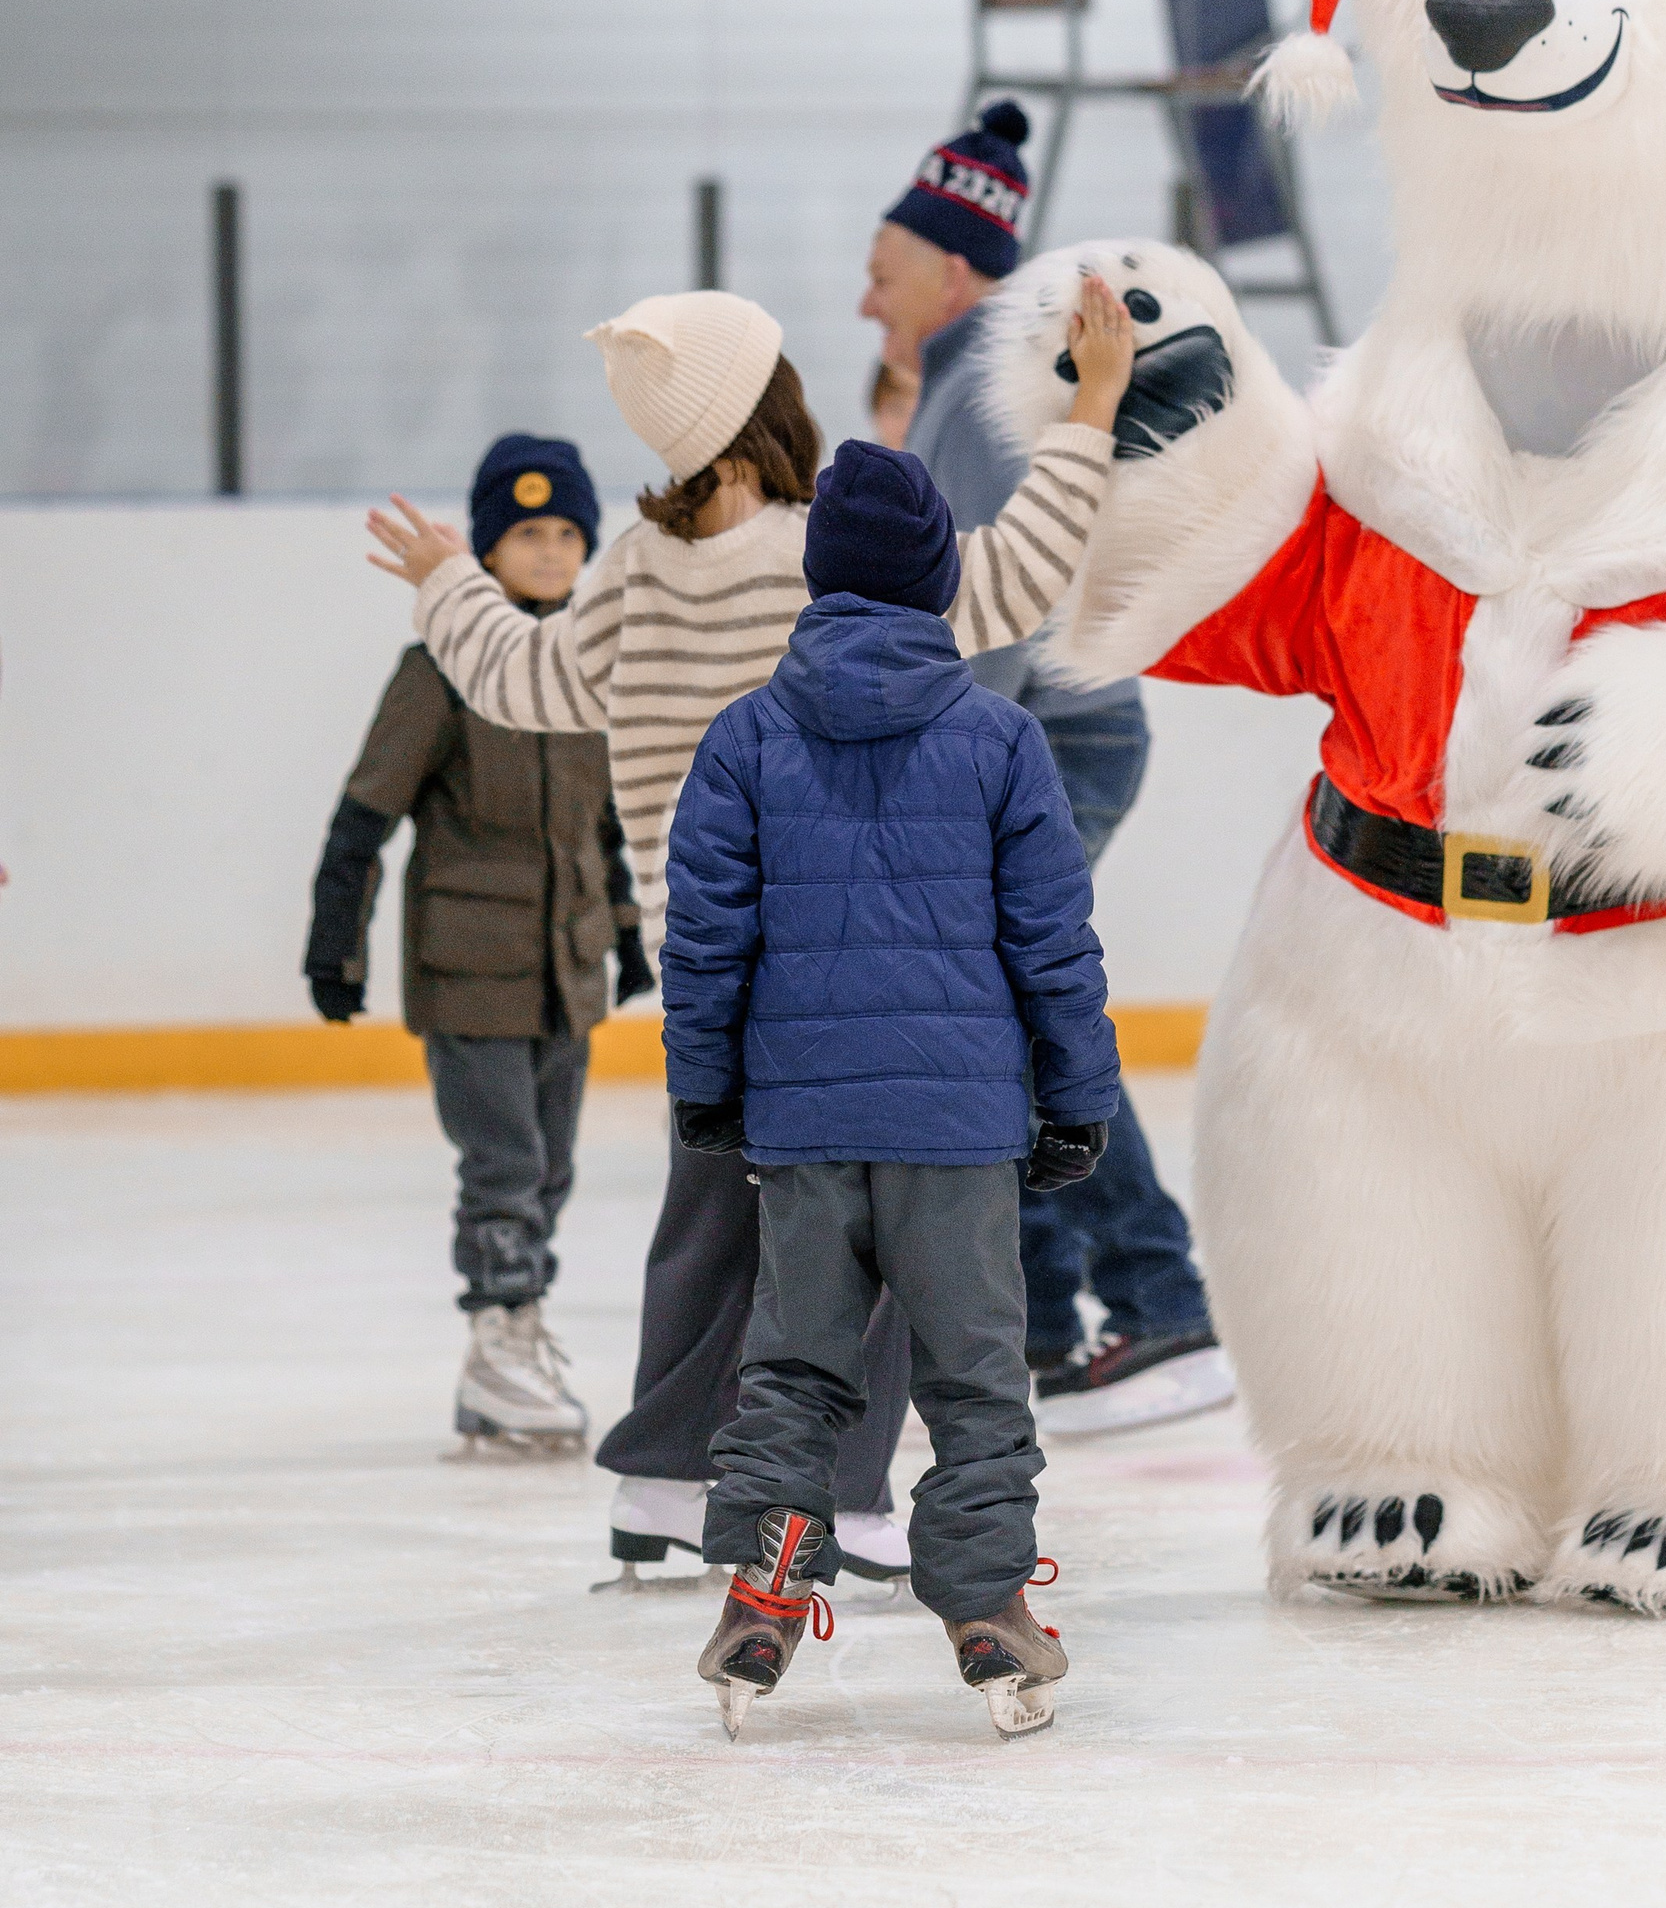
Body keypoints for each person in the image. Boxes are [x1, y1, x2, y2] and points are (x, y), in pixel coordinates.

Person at [361, 278, 1134, 1580]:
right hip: (842, 967)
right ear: (768, 408)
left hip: (702, 958)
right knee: (876, 1233)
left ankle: (665, 1474)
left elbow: (526, 677)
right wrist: (1093, 407)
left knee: (715, 1221)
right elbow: (1014, 576)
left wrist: (449, 583)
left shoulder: (635, 572)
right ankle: (850, 1492)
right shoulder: (818, 563)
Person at [665, 439, 1117, 1743]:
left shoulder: (746, 738)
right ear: (936, 582)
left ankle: (763, 1587)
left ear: (820, 582)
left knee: (794, 1374)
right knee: (974, 1380)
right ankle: (987, 1613)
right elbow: (1052, 942)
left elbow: (705, 936)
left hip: (804, 1129)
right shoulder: (998, 738)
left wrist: (708, 1091)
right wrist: (1076, 1096)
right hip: (958, 1131)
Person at [864, 101, 1230, 1434]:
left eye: (883, 269)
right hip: (1046, 724)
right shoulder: (970, 374)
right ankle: (1062, 1319)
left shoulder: (969, 385)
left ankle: (1154, 1297)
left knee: (1015, 1009)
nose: (864, 297)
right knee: (1006, 1013)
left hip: (1041, 729)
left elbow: (993, 601)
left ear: (954, 273)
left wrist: (936, 773)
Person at [306, 433, 649, 1452]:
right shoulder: (442, 671)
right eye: (525, 533)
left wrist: (625, 934)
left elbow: (605, 818)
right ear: (487, 551)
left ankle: (515, 1332)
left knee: (550, 1167)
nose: (548, 553)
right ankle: (496, 1340)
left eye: (565, 533)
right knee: (501, 1164)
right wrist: (338, 943)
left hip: (565, 967)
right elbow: (365, 814)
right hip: (470, 968)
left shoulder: (591, 663)